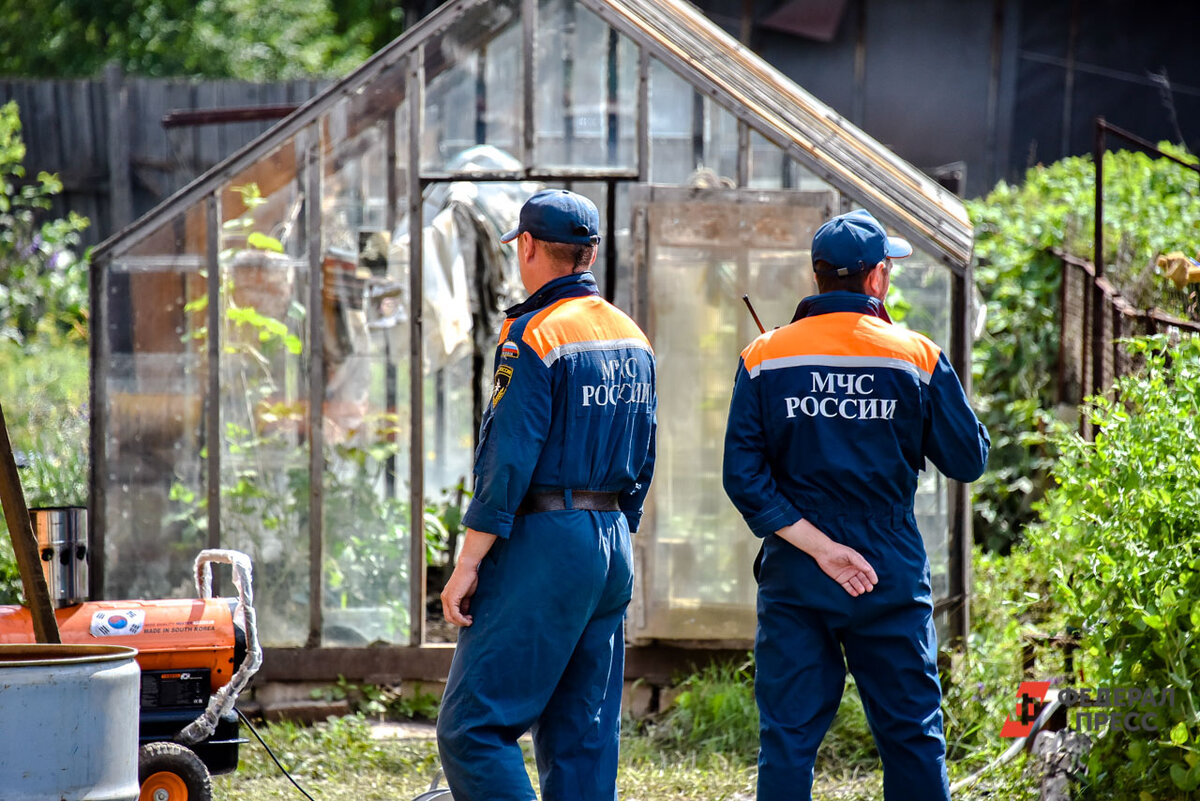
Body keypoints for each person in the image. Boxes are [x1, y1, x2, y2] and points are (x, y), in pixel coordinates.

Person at [722, 209, 990, 801]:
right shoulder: (915, 356)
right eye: (887, 269)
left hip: (797, 565)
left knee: (788, 738)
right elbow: (968, 459)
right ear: (875, 280)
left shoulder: (764, 357)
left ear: (818, 277)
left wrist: (819, 547)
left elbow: (742, 476)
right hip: (887, 564)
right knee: (911, 734)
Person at [436, 189, 657, 801]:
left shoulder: (531, 335)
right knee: (582, 735)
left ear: (528, 247)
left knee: (472, 730)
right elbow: (647, 447)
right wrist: (609, 525)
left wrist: (469, 562)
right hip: (610, 542)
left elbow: (507, 460)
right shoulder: (630, 335)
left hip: (545, 542)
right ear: (588, 254)